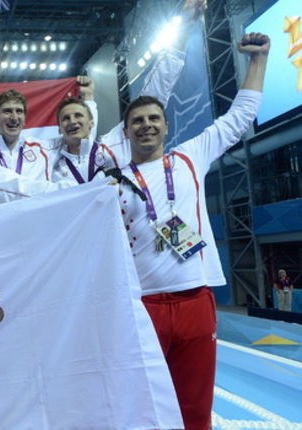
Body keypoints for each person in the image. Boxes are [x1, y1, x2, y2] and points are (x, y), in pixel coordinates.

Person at [117, 32, 269, 430]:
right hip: (142, 306)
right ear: (127, 132)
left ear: (166, 126)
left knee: (195, 410)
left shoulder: (190, 156)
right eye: (137, 121)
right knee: (142, 408)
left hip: (194, 298)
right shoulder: (111, 183)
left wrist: (259, 60)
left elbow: (240, 116)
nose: (146, 126)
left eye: (153, 119)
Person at [50, 0, 204, 184]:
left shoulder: (110, 146)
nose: (73, 122)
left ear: (92, 122)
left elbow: (156, 91)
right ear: (59, 128)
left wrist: (185, 26)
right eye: (66, 119)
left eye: (78, 116)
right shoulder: (51, 167)